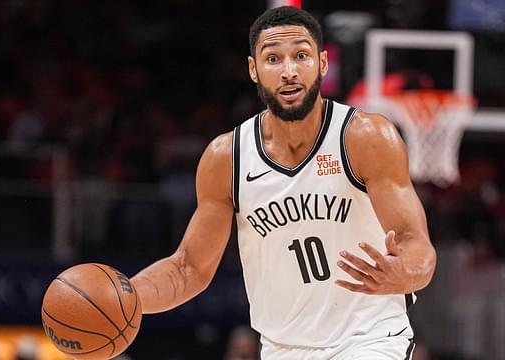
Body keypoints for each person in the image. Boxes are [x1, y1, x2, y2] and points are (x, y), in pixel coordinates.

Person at [130, 6, 436, 359]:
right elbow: (189, 269)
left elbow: (416, 244)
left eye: (301, 56)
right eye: (273, 58)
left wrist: (406, 272)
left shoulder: (365, 137)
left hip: (369, 339)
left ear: (322, 63)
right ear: (253, 70)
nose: (289, 71)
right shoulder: (226, 158)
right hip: (282, 348)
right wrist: (125, 297)